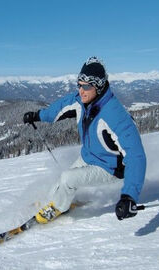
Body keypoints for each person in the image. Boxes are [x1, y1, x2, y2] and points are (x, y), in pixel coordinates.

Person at [23, 56, 146, 223]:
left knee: (68, 178)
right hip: (89, 156)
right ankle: (54, 200)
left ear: (99, 86)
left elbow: (136, 156)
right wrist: (37, 115)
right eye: (79, 85)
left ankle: (58, 208)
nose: (81, 90)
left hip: (109, 167)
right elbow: (59, 108)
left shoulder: (115, 116)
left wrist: (129, 196)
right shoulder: (81, 101)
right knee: (60, 183)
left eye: (87, 86)